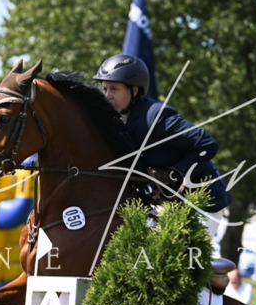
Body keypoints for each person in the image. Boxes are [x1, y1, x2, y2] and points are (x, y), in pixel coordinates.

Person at [94, 54, 231, 240]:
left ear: (134, 90)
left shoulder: (156, 117)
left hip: (202, 203)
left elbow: (207, 144)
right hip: (164, 205)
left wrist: (179, 171)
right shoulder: (115, 120)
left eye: (114, 89)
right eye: (105, 89)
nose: (107, 96)